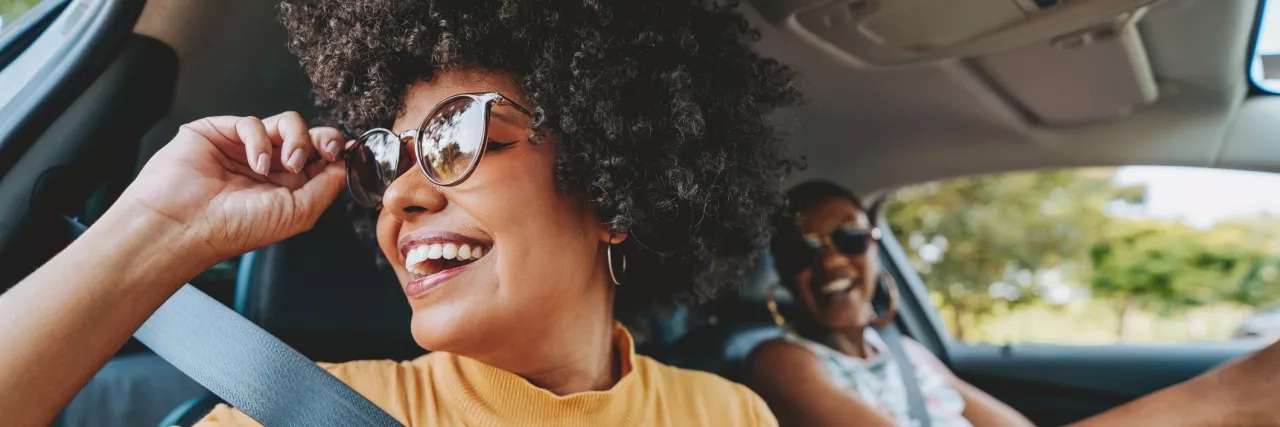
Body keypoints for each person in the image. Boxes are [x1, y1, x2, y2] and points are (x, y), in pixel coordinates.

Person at [0, 0, 801, 425]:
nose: (403, 196)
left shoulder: (730, 414)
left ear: (613, 183)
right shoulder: (295, 416)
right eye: (385, 159)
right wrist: (157, 231)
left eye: (455, 137)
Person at [748, 180, 1280, 427]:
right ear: (783, 278)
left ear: (875, 251)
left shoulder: (906, 354)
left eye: (849, 239)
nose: (833, 263)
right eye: (803, 250)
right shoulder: (779, 361)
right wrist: (1220, 400)